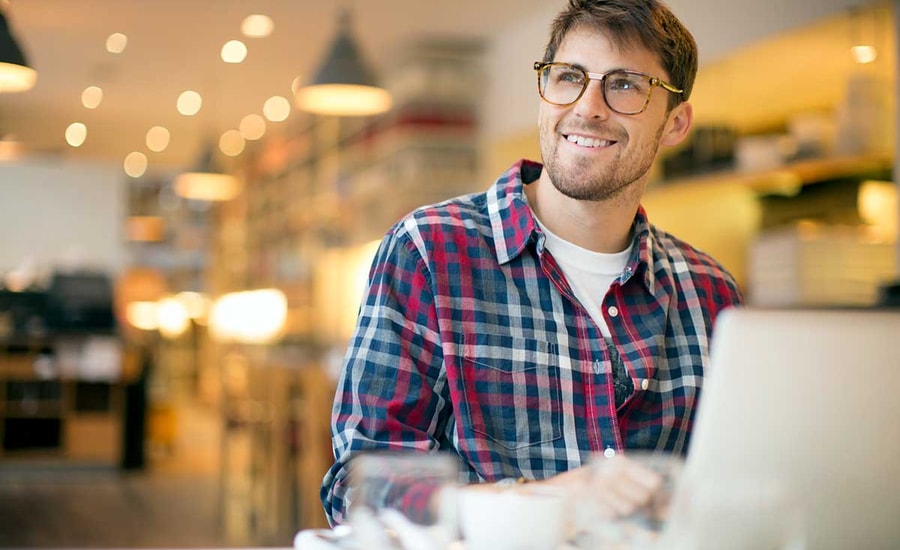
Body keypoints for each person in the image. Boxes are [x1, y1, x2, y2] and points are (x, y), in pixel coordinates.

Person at [321, 0, 743, 527]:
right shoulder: (428, 251)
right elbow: (361, 489)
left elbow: (741, 486)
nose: (588, 107)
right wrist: (550, 502)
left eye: (627, 84)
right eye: (569, 77)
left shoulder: (711, 294)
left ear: (676, 123)